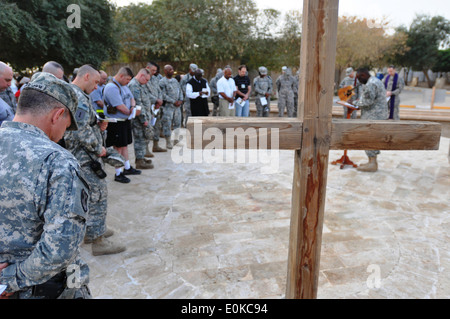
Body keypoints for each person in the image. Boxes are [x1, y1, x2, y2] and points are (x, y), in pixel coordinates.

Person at [0, 73, 91, 299]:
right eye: (66, 126)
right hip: (41, 289)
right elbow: (60, 249)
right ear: (58, 114)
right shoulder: (58, 162)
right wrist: (9, 280)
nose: (62, 136)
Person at [64, 65, 126, 256]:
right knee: (97, 194)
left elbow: (82, 124)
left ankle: (93, 230)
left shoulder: (75, 94)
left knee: (89, 194)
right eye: (96, 82)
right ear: (87, 76)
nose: (98, 87)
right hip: (86, 156)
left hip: (82, 153)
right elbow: (81, 131)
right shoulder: (79, 97)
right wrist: (97, 147)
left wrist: (97, 126)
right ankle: (98, 241)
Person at [103, 67, 142, 181]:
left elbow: (132, 99)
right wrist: (131, 111)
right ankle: (118, 173)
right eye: (127, 79)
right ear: (121, 76)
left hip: (124, 121)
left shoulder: (123, 86)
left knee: (124, 145)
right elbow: (120, 107)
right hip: (116, 122)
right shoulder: (111, 87)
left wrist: (133, 107)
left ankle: (127, 167)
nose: (128, 82)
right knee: (118, 147)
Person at [355, 68, 389, 172]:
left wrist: (354, 104)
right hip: (378, 115)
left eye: (359, 79)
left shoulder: (371, 84)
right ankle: (371, 161)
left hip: (373, 117)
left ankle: (372, 163)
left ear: (364, 75)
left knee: (369, 139)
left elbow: (367, 101)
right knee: (373, 139)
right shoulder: (375, 80)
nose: (359, 82)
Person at [128, 68, 154, 170]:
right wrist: (144, 119)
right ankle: (139, 161)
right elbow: (138, 105)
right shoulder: (134, 85)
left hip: (144, 116)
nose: (147, 82)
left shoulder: (139, 85)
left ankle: (141, 157)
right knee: (139, 139)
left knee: (143, 139)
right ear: (142, 76)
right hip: (138, 119)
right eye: (146, 80)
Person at [159, 65, 184, 149]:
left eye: (172, 69)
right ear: (165, 71)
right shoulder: (162, 81)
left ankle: (176, 140)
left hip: (177, 107)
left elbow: (179, 90)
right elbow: (162, 94)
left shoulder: (175, 81)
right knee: (167, 124)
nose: (172, 71)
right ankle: (168, 142)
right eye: (170, 69)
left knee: (177, 123)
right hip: (168, 107)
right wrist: (173, 101)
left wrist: (180, 100)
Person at [145, 62, 166, 153]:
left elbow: (159, 91)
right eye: (153, 70)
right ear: (147, 68)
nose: (154, 72)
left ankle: (156, 145)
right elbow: (145, 93)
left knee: (157, 126)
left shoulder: (155, 78)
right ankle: (145, 149)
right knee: (147, 128)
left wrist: (160, 100)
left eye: (155, 71)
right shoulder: (143, 78)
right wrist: (156, 100)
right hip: (148, 107)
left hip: (157, 108)